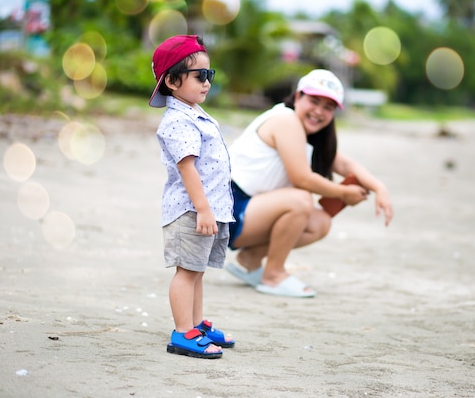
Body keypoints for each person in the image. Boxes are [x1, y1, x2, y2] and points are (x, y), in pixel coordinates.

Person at [225, 69, 393, 298]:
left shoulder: (306, 134)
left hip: (246, 210)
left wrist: (379, 187)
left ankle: (251, 258)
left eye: (328, 107)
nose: (319, 111)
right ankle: (273, 275)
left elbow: (344, 165)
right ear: (297, 98)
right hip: (228, 209)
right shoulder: (285, 121)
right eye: (314, 101)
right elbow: (301, 178)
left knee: (320, 222)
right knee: (300, 199)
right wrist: (344, 193)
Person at [150, 35, 235, 359]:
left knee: (196, 270)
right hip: (190, 210)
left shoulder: (194, 113)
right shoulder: (176, 121)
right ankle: (183, 332)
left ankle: (196, 324)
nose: (207, 82)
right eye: (200, 75)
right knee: (187, 271)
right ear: (172, 81)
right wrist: (203, 209)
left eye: (209, 75)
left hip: (204, 209)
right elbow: (188, 169)